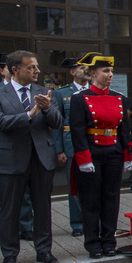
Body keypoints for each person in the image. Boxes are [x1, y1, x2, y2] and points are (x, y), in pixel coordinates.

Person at [0, 49, 62, 263]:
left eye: (37, 66)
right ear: (15, 70)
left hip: (41, 158)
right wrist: (29, 115)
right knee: (11, 209)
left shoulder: (45, 92)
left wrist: (47, 109)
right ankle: (10, 254)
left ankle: (44, 250)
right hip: (10, 159)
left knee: (43, 207)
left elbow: (57, 122)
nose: (37, 70)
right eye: (31, 67)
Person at [69, 53, 132, 258]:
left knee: (111, 199)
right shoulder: (80, 99)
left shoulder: (118, 98)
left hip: (113, 151)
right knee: (90, 200)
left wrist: (127, 157)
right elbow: (77, 132)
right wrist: (84, 159)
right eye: (106, 71)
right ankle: (92, 242)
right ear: (93, 73)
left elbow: (124, 131)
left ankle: (108, 241)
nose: (110, 74)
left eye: (111, 71)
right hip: (92, 152)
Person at [0, 52, 34, 245]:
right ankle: (3, 231)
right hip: (0, 146)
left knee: (25, 193)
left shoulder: (29, 90)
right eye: (7, 69)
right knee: (3, 193)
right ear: (3, 71)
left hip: (23, 146)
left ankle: (26, 227)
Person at [51, 57, 89, 237]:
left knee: (93, 185)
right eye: (82, 67)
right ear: (72, 72)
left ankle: (92, 220)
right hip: (71, 143)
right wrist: (59, 149)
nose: (86, 70)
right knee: (75, 185)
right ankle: (77, 224)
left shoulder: (95, 91)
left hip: (92, 143)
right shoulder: (62, 93)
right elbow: (56, 123)